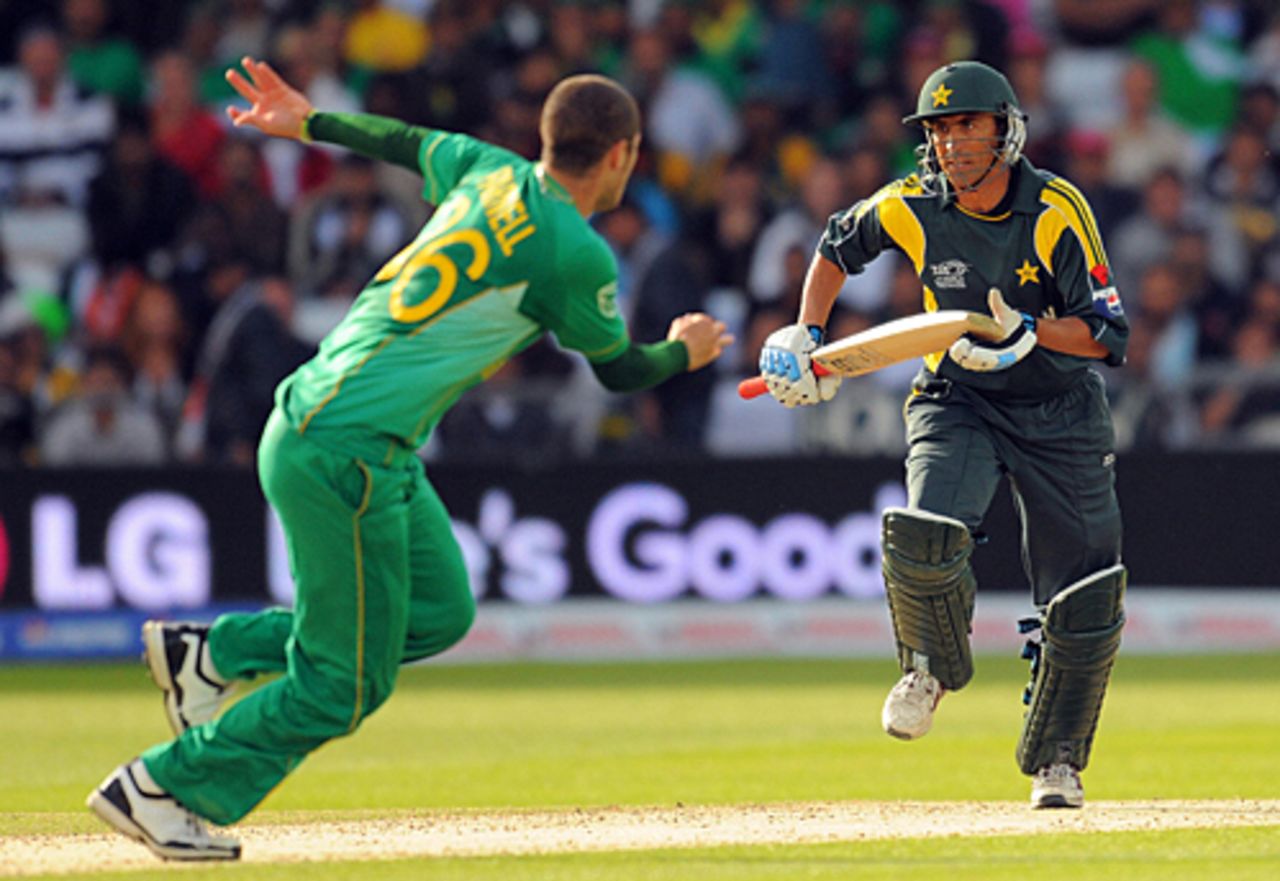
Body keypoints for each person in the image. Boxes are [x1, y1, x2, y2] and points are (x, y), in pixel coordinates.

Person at [87, 56, 732, 861]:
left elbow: (400, 139)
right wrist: (683, 350)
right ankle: (163, 788)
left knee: (437, 611)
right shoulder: (575, 252)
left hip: (349, 433)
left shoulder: (488, 168)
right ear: (622, 155)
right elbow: (621, 372)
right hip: (342, 450)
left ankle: (211, 653)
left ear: (546, 138)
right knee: (346, 682)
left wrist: (311, 120)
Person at [758, 61, 1129, 809]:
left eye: (968, 125)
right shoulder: (911, 203)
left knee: (1084, 592)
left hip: (1058, 406)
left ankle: (1057, 758)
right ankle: (926, 666)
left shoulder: (1056, 208)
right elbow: (835, 246)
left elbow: (1107, 334)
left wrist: (1029, 330)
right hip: (956, 392)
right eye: (939, 129)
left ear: (1006, 130)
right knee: (926, 530)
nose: (953, 143)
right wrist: (806, 330)